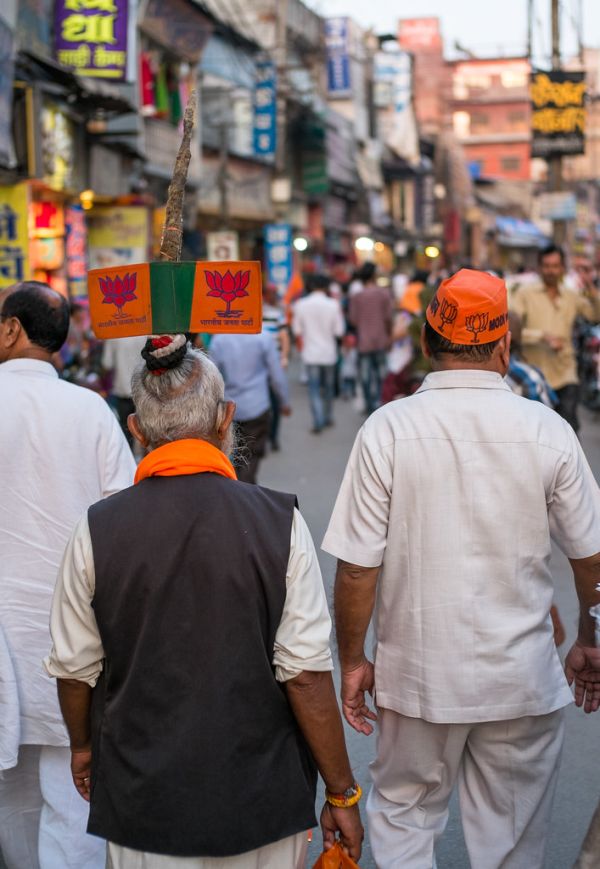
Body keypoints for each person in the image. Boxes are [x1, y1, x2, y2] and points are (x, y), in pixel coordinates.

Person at [45, 336, 364, 868]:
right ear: (226, 420)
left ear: (137, 431)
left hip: (143, 797)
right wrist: (341, 793)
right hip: (262, 797)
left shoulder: (96, 529)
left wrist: (82, 749)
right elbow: (305, 674)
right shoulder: (278, 522)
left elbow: (75, 670)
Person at [322, 268, 600, 869]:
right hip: (522, 678)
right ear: (505, 345)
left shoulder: (387, 430)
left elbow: (357, 569)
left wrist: (351, 660)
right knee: (512, 841)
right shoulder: (548, 431)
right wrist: (589, 636)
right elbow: (591, 557)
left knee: (402, 818)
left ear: (427, 343)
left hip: (416, 678)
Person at [0, 281, 135, 869]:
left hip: (6, 630)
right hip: (71, 631)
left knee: (11, 795)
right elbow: (124, 512)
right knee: (73, 785)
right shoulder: (89, 409)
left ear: (10, 330)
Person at [510, 243, 600, 432]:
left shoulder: (571, 295)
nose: (551, 271)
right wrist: (542, 336)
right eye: (546, 266)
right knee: (537, 431)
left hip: (565, 373)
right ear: (539, 267)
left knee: (568, 430)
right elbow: (512, 329)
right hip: (535, 375)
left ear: (562, 268)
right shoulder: (525, 294)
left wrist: (591, 285)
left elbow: (595, 315)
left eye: (555, 266)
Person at [210, 331, 290, 483]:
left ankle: (238, 490)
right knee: (251, 457)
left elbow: (212, 376)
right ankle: (244, 494)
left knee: (233, 455)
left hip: (229, 409)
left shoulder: (219, 340)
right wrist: (284, 402)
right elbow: (276, 374)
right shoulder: (263, 337)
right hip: (257, 406)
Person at [292, 273, 345, 433]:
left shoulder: (300, 304)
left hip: (310, 353)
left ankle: (317, 420)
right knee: (328, 387)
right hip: (328, 353)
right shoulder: (333, 304)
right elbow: (339, 331)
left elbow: (296, 330)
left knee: (314, 388)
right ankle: (328, 417)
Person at [348, 262, 393, 415]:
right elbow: (388, 318)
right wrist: (389, 337)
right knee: (381, 374)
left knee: (366, 376)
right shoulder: (384, 294)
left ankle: (369, 404)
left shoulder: (357, 296)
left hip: (364, 341)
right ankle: (380, 402)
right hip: (381, 339)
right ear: (374, 275)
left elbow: (353, 320)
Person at [102, 336, 147, 448]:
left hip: (122, 388)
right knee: (146, 429)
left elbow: (107, 363)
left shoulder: (114, 335)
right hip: (143, 389)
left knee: (126, 430)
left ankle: (129, 458)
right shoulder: (145, 332)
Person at [262, 282, 290, 451]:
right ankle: (266, 436)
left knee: (274, 400)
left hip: (273, 362)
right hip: (259, 363)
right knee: (268, 401)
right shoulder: (254, 313)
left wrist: (284, 357)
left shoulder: (278, 313)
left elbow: (284, 336)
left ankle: (272, 437)